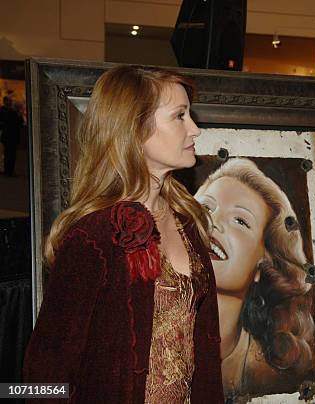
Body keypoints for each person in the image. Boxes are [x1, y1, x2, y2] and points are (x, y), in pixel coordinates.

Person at [23, 65, 224, 403]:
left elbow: (205, 356)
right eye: (180, 116)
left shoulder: (188, 223)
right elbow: (41, 376)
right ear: (135, 128)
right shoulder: (93, 237)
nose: (195, 130)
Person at [194, 158, 315, 398]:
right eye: (206, 207)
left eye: (240, 220)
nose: (213, 223)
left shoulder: (271, 379)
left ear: (263, 265)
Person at [0, 96, 23, 176]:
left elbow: (20, 122)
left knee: (11, 154)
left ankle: (10, 170)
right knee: (8, 154)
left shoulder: (13, 111)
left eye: (11, 101)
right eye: (9, 101)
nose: (11, 102)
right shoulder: (4, 110)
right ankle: (7, 170)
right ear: (5, 101)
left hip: (12, 136)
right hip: (8, 136)